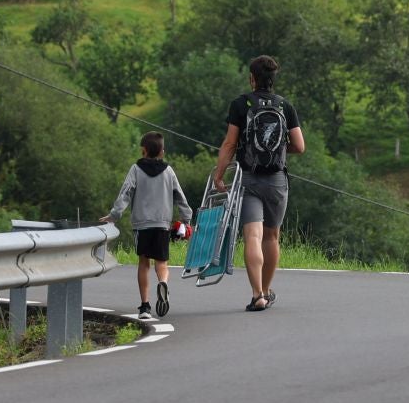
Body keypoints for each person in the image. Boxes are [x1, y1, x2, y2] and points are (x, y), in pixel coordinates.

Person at [212, 55, 305, 312]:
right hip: (276, 180)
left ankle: (257, 296)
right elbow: (300, 145)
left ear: (252, 78)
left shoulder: (241, 104)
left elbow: (230, 144)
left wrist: (219, 175)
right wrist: (279, 150)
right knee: (272, 237)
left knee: (252, 235)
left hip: (248, 178)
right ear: (273, 80)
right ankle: (266, 289)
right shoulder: (285, 106)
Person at [101, 131, 193, 320]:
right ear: (162, 151)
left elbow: (126, 192)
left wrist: (114, 215)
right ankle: (163, 282)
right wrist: (187, 218)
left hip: (141, 225)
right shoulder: (169, 171)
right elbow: (179, 196)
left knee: (144, 263)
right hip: (162, 224)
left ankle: (144, 307)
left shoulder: (136, 169)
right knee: (162, 262)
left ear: (143, 151)